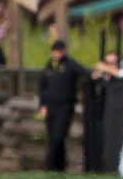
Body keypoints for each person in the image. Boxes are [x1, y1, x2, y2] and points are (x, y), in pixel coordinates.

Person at [38, 40, 90, 172]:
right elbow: (42, 87)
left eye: (60, 51)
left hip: (65, 106)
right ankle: (60, 165)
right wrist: (42, 105)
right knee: (53, 137)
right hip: (50, 106)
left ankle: (49, 164)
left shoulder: (70, 65)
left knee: (58, 135)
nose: (57, 54)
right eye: (55, 51)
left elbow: (85, 73)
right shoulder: (49, 66)